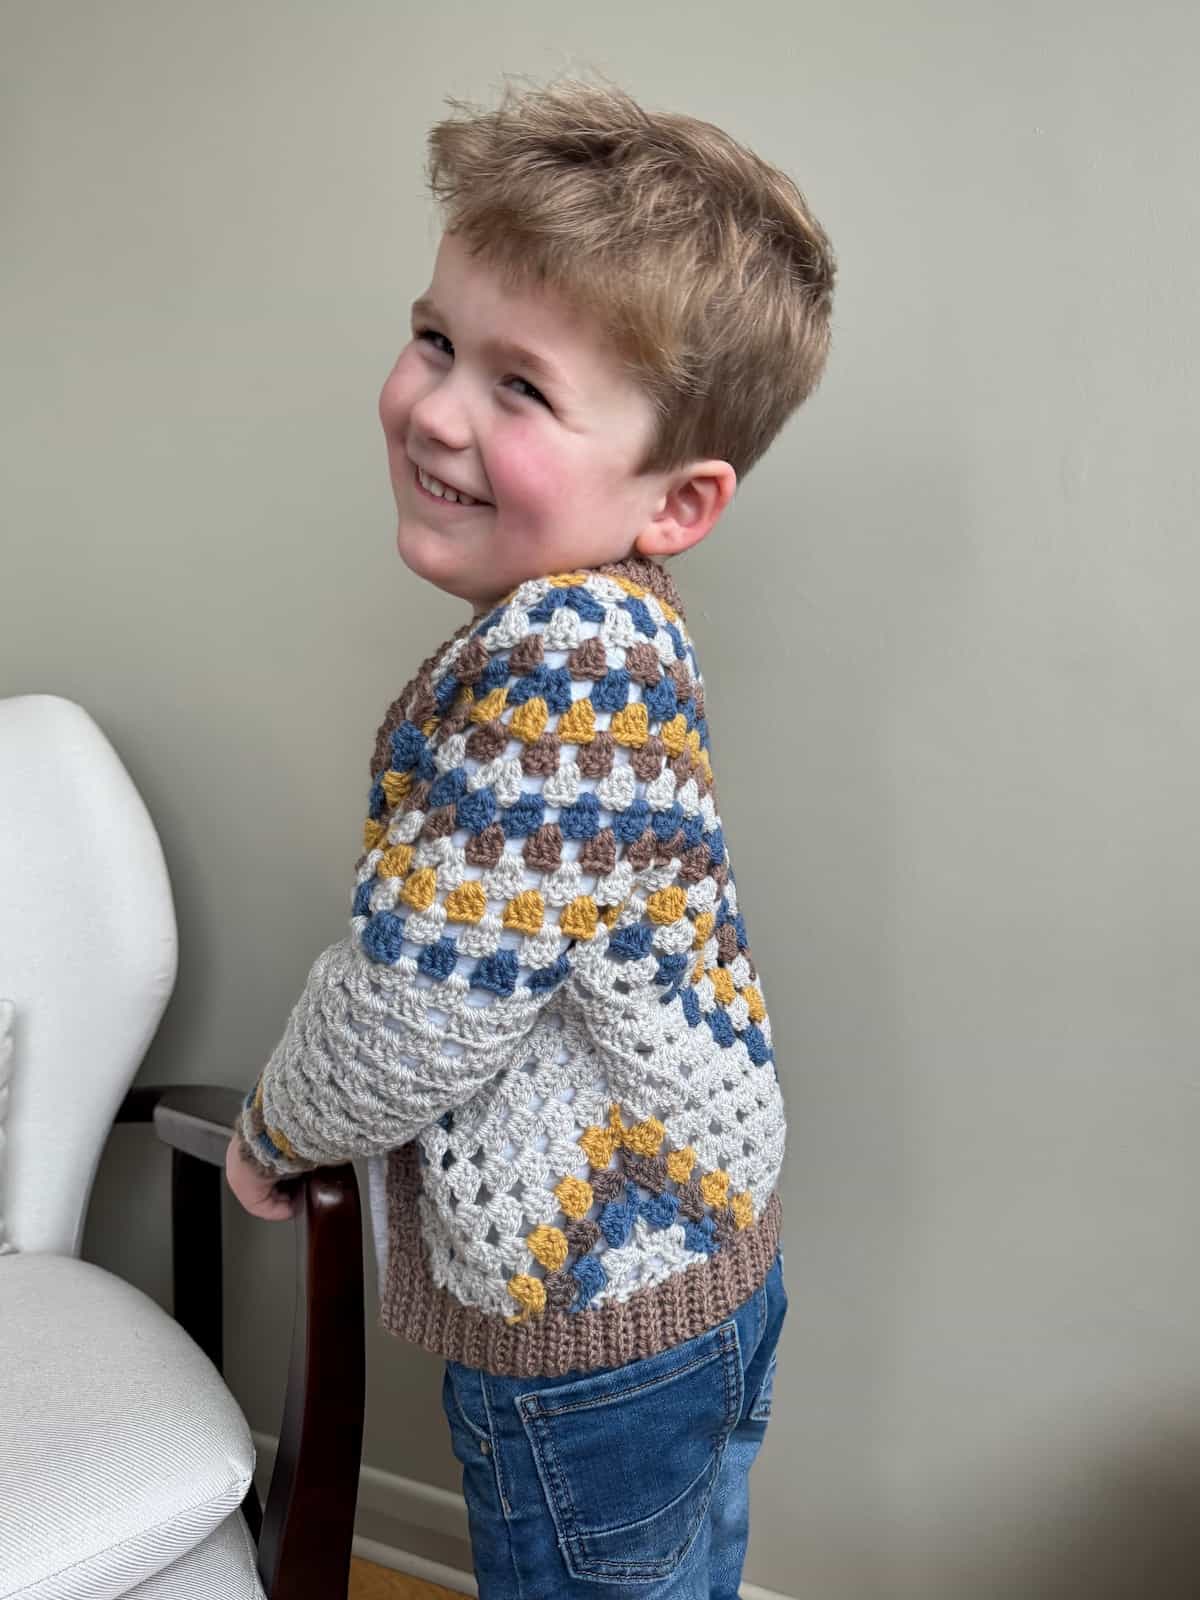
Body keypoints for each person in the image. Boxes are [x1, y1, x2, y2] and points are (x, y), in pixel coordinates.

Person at [225, 74, 836, 1599]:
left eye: (523, 387)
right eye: (436, 339)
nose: (434, 406)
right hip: (697, 1274)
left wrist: (276, 1130)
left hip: (603, 1350)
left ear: (676, 501)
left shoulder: (565, 661)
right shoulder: (617, 635)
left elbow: (411, 1000)